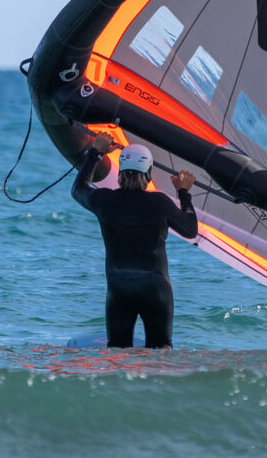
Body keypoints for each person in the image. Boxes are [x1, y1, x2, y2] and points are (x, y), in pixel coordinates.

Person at [71, 131, 199, 348]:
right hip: (155, 288)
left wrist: (96, 153)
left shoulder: (104, 200)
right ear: (148, 174)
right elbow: (190, 229)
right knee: (161, 350)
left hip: (119, 287)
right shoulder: (159, 203)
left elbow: (78, 189)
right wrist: (184, 192)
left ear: (121, 171)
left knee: (118, 351)